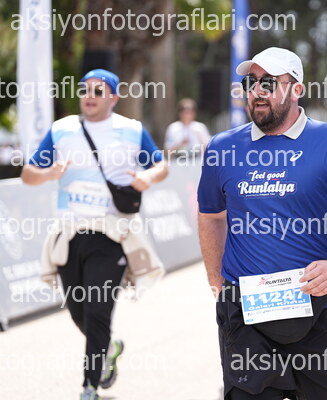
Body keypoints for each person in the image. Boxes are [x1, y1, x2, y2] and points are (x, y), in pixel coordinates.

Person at [197, 47, 327, 400]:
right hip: (247, 318)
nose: (256, 91)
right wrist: (217, 281)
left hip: (323, 314)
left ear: (296, 89)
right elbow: (211, 215)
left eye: (268, 82)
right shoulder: (222, 148)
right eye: (250, 82)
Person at [21, 69, 168, 400]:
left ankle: (89, 386)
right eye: (84, 89)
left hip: (111, 235)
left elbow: (161, 165)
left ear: (113, 98)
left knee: (98, 310)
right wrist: (48, 173)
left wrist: (147, 178)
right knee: (79, 311)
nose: (89, 96)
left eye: (98, 91)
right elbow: (28, 174)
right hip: (69, 235)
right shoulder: (62, 129)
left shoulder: (131, 130)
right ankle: (110, 347)